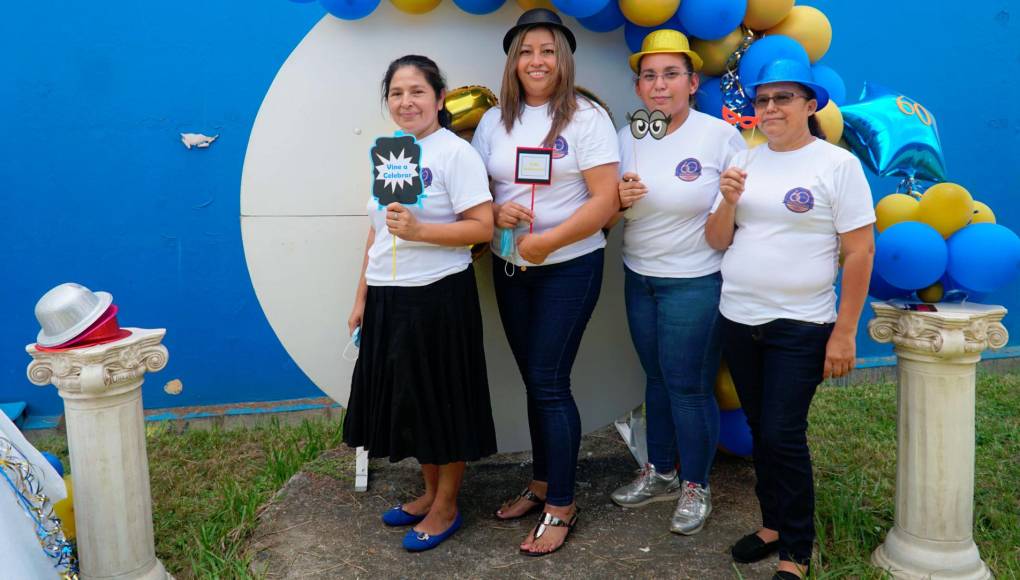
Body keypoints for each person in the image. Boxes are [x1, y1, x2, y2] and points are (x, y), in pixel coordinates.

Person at [705, 59, 876, 579]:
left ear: (809, 104)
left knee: (782, 433)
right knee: (761, 428)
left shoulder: (836, 165)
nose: (771, 109)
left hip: (801, 324)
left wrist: (844, 333)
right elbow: (716, 240)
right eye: (762, 101)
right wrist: (728, 201)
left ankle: (797, 549)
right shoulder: (746, 161)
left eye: (783, 98)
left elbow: (861, 251)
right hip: (739, 317)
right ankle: (773, 523)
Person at [470, 9, 620, 557]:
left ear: (564, 58)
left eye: (548, 51)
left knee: (550, 381)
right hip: (511, 268)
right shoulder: (494, 121)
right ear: (514, 60)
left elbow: (605, 200)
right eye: (528, 51)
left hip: (568, 267)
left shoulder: (586, 118)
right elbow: (480, 189)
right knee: (535, 380)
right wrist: (497, 212)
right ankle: (540, 484)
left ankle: (561, 502)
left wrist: (549, 243)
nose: (537, 61)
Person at [342, 54, 497, 553]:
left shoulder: (456, 154)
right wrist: (362, 295)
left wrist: (422, 230)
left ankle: (448, 504)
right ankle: (429, 493)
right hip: (389, 297)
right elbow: (377, 227)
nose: (406, 102)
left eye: (417, 92)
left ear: (439, 98)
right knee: (410, 400)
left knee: (442, 401)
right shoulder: (392, 152)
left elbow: (482, 228)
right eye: (396, 93)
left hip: (438, 297)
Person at [606, 29, 746, 535]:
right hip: (639, 276)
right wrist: (618, 198)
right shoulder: (627, 137)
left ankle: (696, 485)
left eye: (671, 75)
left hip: (694, 281)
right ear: (639, 86)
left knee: (688, 387)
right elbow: (609, 212)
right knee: (657, 379)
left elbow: (733, 221)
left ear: (691, 82)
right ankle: (660, 471)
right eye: (649, 76)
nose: (659, 85)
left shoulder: (718, 136)